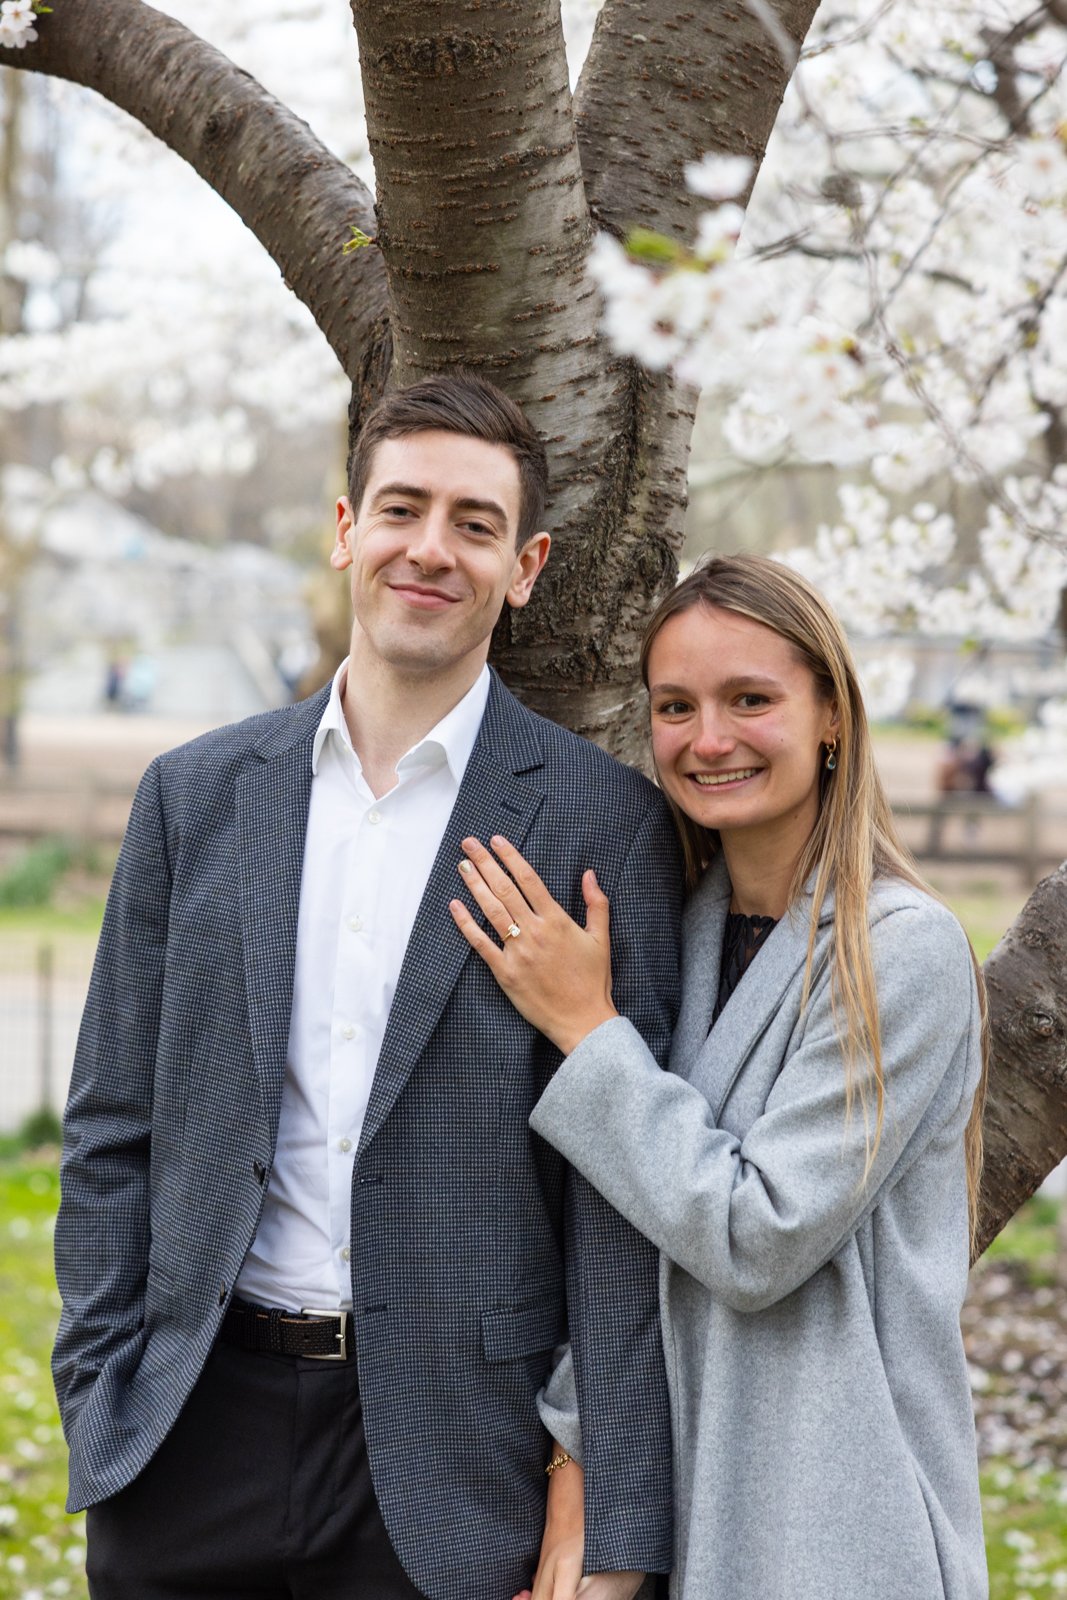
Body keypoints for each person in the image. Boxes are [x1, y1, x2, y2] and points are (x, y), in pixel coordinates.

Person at [52, 374, 682, 1600]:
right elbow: (111, 1123)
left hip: (456, 1462)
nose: (429, 549)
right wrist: (102, 1387)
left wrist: (598, 1507)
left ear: (527, 563)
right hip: (187, 1432)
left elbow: (623, 1212)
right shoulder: (195, 795)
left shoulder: (603, 825)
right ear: (347, 527)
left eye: (474, 523)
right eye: (402, 509)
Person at [452, 554, 989, 1600]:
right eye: (674, 705)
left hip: (837, 1529)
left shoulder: (899, 952)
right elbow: (629, 1234)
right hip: (688, 1509)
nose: (707, 739)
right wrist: (576, 1455)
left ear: (829, 713)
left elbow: (756, 1235)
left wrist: (585, 1025)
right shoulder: (683, 936)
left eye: (750, 699)